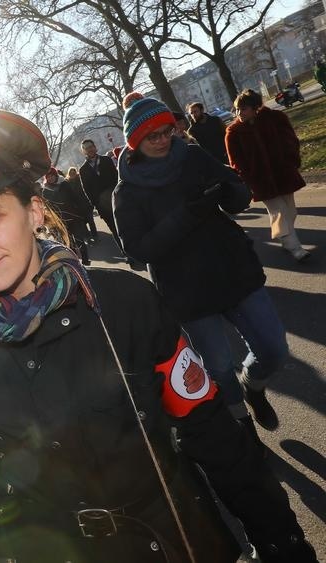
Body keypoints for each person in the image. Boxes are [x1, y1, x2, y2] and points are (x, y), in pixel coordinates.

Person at [0, 108, 316, 563]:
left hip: (179, 539)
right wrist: (1, 526)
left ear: (34, 213)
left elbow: (214, 435)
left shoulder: (126, 303)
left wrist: (282, 540)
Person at [113, 91, 295, 441]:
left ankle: (253, 386)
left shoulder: (192, 156)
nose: (164, 140)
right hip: (188, 291)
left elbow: (236, 192)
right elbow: (137, 249)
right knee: (219, 368)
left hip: (233, 270)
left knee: (274, 349)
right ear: (135, 141)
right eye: (153, 136)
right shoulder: (127, 191)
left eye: (168, 131)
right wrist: (187, 214)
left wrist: (232, 191)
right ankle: (241, 425)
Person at [225, 88, 310, 261]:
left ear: (255, 107)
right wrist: (247, 176)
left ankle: (284, 237)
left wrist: (290, 161)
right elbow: (235, 160)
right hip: (260, 179)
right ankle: (295, 248)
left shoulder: (276, 118)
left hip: (283, 173)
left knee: (291, 211)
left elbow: (290, 141)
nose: (239, 113)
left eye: (243, 109)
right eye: (236, 109)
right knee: (278, 211)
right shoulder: (233, 133)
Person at [41, 166, 90, 264]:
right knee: (68, 243)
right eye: (48, 177)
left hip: (73, 216)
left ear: (56, 175)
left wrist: (81, 212)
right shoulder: (45, 191)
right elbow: (47, 208)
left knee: (79, 239)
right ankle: (75, 262)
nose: (50, 178)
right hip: (60, 221)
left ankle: (85, 260)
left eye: (52, 176)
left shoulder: (64, 184)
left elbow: (75, 198)